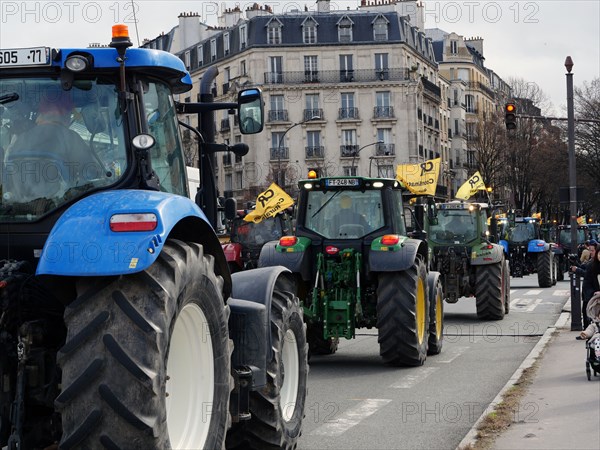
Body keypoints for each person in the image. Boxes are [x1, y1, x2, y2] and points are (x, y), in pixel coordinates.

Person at [4, 89, 99, 203]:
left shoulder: (19, 140)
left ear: (42, 112)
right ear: (65, 113)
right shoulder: (71, 138)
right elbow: (91, 175)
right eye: (70, 113)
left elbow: (8, 177)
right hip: (58, 208)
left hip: (18, 208)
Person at [571, 243, 600, 328]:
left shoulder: (594, 264)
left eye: (592, 250)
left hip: (593, 294)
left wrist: (577, 270)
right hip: (589, 293)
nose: (590, 252)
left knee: (591, 315)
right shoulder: (592, 263)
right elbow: (585, 270)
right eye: (590, 250)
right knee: (587, 312)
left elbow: (586, 274)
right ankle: (587, 332)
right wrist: (576, 263)